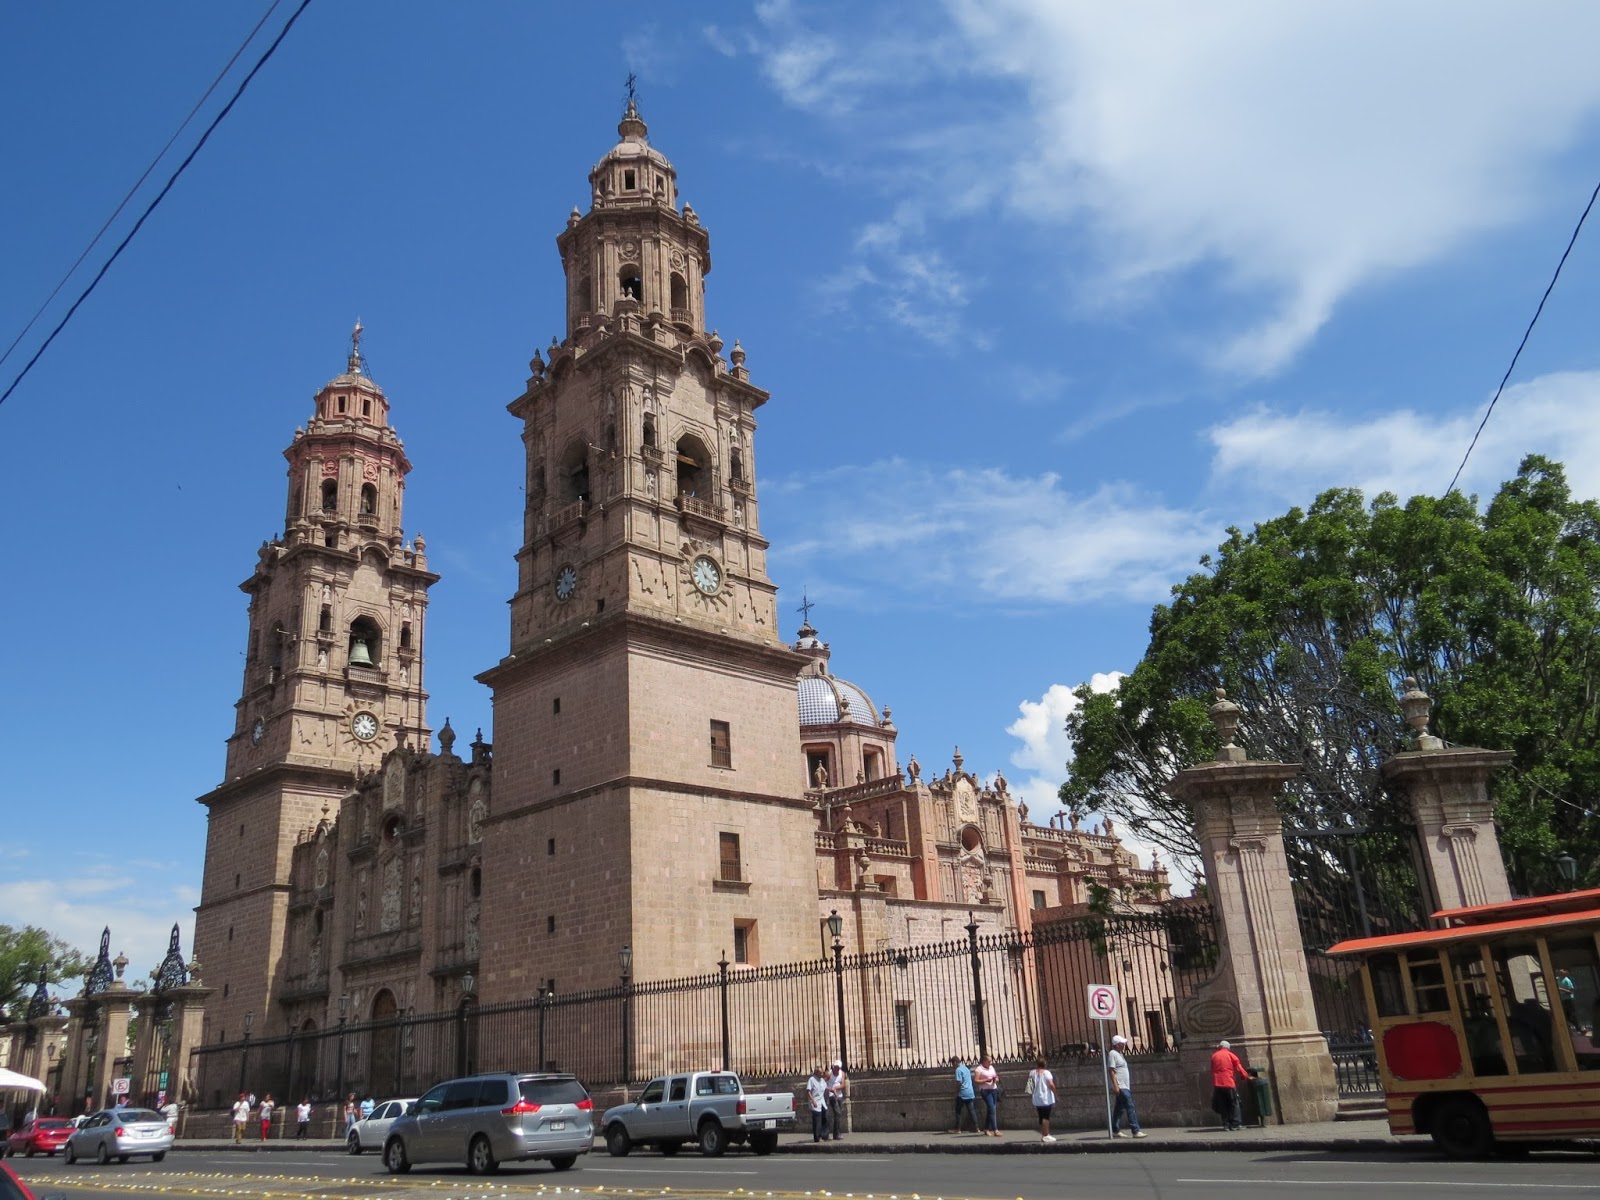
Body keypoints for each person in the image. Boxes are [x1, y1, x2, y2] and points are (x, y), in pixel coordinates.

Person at [1107, 1034, 1145, 1138]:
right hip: (1121, 1086)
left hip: (1124, 1086)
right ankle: (1135, 1130)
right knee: (1130, 1106)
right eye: (1122, 1043)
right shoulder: (1113, 1054)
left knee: (1120, 1108)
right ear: (1117, 1045)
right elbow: (1111, 1070)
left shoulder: (1119, 1054)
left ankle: (1115, 1129)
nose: (1124, 1045)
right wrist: (1116, 1086)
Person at [1210, 1040, 1249, 1131]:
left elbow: (1212, 1069)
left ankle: (1226, 1124)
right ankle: (1236, 1124)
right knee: (1234, 1103)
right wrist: (1245, 1076)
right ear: (1228, 1048)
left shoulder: (1214, 1056)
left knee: (1223, 1104)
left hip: (1217, 1083)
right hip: (1228, 1082)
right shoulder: (1230, 1055)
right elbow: (1239, 1067)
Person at [1025, 1056, 1056, 1143]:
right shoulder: (1047, 1073)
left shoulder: (1032, 1073)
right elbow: (1051, 1084)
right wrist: (1056, 1093)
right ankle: (1046, 1135)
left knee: (1041, 1116)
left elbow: (1030, 1087)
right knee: (1046, 1117)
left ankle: (1044, 1133)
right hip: (1046, 1098)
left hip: (1037, 1098)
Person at [946, 1055, 979, 1134]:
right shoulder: (966, 1068)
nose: (952, 1066)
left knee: (958, 1111)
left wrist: (957, 1092)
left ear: (955, 1062)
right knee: (971, 1110)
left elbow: (959, 1082)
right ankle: (976, 1127)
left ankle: (958, 1129)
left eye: (952, 1064)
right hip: (970, 1092)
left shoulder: (958, 1070)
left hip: (963, 1093)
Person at [973, 1053, 1001, 1137]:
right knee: (991, 1108)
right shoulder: (979, 1069)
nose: (990, 1063)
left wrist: (996, 1079)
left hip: (994, 1089)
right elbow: (976, 1080)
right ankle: (995, 1129)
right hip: (985, 1091)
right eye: (989, 1061)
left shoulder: (991, 1068)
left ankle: (986, 1128)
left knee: (991, 1109)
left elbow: (996, 1077)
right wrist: (986, 1080)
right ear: (984, 1061)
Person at [824, 1059, 848, 1140]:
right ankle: (836, 1134)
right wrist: (831, 1089)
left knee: (838, 1115)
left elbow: (843, 1085)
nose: (836, 1069)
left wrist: (835, 1088)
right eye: (835, 1067)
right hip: (831, 1096)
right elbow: (823, 1084)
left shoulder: (842, 1073)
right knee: (837, 1113)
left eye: (837, 1067)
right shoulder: (829, 1074)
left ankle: (836, 1133)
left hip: (839, 1095)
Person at [805, 1066, 829, 1142]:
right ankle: (817, 1137)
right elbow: (808, 1091)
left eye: (822, 1072)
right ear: (816, 1073)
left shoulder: (822, 1080)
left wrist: (833, 1091)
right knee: (817, 1120)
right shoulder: (811, 1080)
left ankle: (825, 1135)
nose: (822, 1074)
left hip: (822, 1102)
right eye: (820, 1072)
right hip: (815, 1102)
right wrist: (813, 1101)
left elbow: (826, 1088)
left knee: (825, 1118)